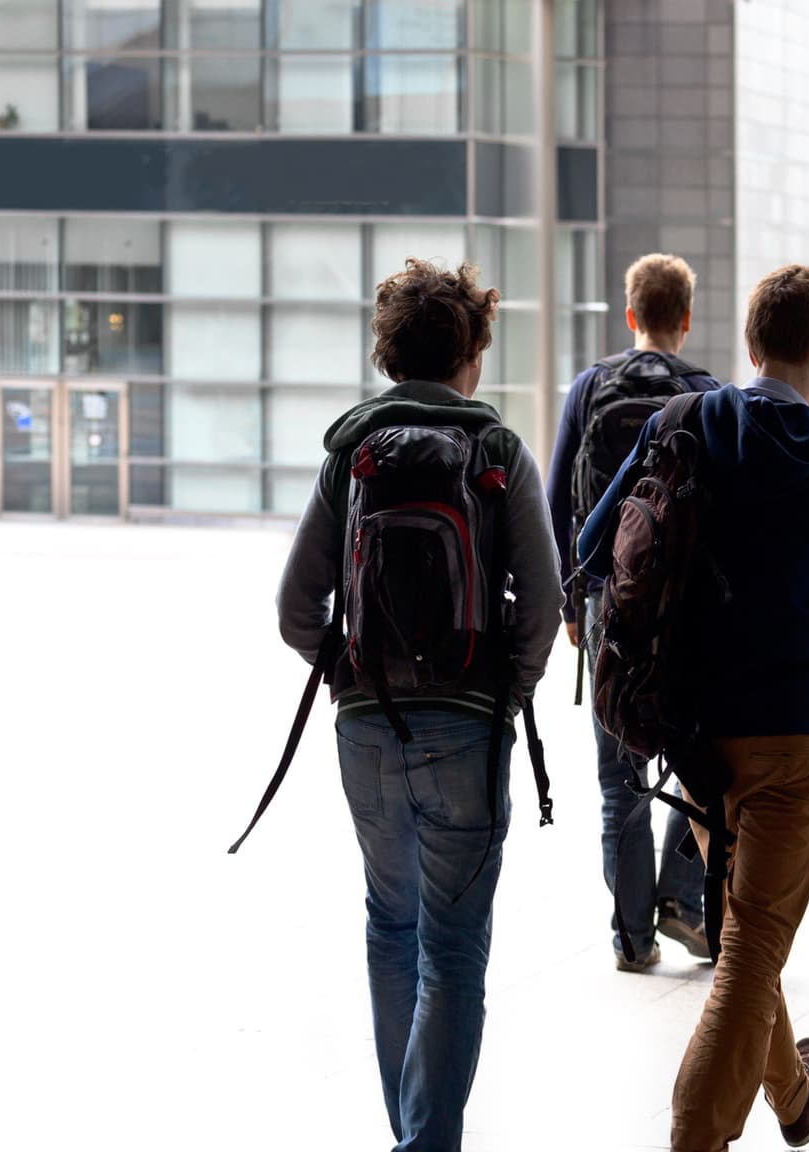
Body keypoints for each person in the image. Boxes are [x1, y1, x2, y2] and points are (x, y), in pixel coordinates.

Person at [579, 264, 809, 1152]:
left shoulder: (679, 424)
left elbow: (590, 545)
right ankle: (694, 1137)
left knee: (751, 931)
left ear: (749, 345)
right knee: (749, 953)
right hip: (789, 740)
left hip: (690, 737)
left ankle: (792, 1091)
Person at [277, 259, 561, 1150]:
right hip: (466, 731)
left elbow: (296, 609)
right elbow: (546, 605)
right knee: (453, 951)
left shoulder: (351, 455)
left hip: (365, 731)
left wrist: (348, 674)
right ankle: (426, 1144)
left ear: (387, 354)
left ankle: (409, 1135)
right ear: (473, 352)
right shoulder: (498, 451)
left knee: (389, 929)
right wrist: (504, 692)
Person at [546, 253, 720, 971]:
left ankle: (632, 937)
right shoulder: (708, 396)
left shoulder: (591, 388)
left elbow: (559, 497)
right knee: (698, 767)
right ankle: (682, 897)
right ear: (685, 317)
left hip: (607, 604)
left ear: (629, 315)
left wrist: (570, 595)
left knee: (618, 778)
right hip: (689, 612)